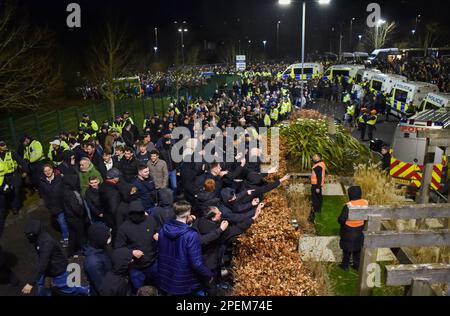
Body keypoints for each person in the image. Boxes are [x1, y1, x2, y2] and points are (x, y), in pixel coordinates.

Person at [158, 201, 213, 296]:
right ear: (188, 215)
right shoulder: (191, 235)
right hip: (185, 281)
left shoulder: (163, 229)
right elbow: (196, 264)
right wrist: (209, 275)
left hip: (167, 278)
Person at [22, 219, 89, 296]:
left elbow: (43, 262)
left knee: (70, 290)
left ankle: (87, 291)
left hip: (58, 270)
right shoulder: (40, 239)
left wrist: (31, 283)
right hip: (51, 268)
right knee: (42, 286)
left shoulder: (46, 243)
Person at [116, 200, 159, 291]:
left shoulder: (151, 220)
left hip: (153, 262)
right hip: (136, 268)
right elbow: (118, 248)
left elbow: (157, 230)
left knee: (157, 286)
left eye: (139, 213)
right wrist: (131, 252)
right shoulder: (124, 228)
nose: (137, 216)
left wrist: (158, 235)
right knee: (139, 290)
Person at [0, 141, 28, 236]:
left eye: (4, 144)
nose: (4, 146)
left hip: (13, 176)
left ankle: (14, 208)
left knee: (15, 192)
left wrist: (25, 170)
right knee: (3, 196)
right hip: (3, 178)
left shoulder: (11, 153)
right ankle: (4, 211)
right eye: (2, 145)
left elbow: (21, 161)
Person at [338, 186, 368, 271]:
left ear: (350, 195)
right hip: (359, 230)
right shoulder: (365, 203)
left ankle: (345, 265)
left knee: (347, 250)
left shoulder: (348, 206)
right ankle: (356, 265)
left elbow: (342, 219)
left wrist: (340, 220)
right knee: (357, 249)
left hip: (348, 231)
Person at [39, 164, 69, 248]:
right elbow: (43, 194)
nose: (47, 172)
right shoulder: (42, 181)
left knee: (62, 222)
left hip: (61, 205)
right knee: (61, 222)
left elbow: (65, 190)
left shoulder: (60, 178)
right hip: (52, 206)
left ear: (52, 170)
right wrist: (47, 204)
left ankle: (66, 238)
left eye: (49, 170)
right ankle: (68, 234)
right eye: (45, 171)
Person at [84, 224, 112, 296]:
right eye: (107, 235)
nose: (110, 237)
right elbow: (102, 288)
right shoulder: (93, 263)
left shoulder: (101, 247)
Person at [62, 175, 86, 258]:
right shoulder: (71, 193)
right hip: (76, 218)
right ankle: (85, 250)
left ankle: (70, 252)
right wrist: (82, 213)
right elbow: (75, 207)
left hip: (68, 217)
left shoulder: (64, 190)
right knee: (81, 235)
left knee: (72, 235)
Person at [99, 168, 123, 234]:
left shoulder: (102, 185)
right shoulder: (113, 191)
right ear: (114, 178)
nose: (119, 178)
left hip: (106, 215)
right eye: (118, 177)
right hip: (113, 219)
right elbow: (114, 208)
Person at [310, 153, 326, 223]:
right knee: (319, 197)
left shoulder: (318, 165)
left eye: (314, 156)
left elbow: (319, 177)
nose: (313, 157)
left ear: (318, 157)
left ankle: (315, 210)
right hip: (317, 185)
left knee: (315, 199)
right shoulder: (320, 164)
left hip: (316, 185)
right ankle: (318, 209)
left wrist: (317, 187)